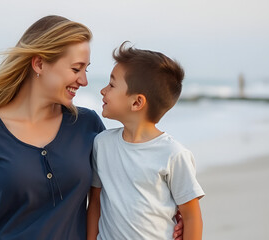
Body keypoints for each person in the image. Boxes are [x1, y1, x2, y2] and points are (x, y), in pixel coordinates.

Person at [0, 16, 185, 240]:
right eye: (76, 69)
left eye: (86, 69)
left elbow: (128, 187)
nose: (84, 80)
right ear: (39, 63)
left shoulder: (87, 126)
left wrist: (171, 215)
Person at [87, 42, 204, 240]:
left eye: (112, 85)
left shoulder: (174, 154)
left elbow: (191, 216)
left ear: (136, 102)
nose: (103, 91)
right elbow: (95, 203)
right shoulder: (102, 144)